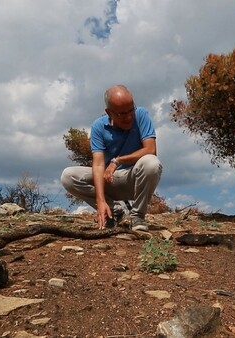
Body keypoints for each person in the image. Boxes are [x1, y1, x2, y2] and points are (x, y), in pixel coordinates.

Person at [61, 85, 162, 230]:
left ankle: (138, 217)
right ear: (109, 112)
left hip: (134, 178)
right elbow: (98, 165)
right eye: (122, 114)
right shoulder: (98, 127)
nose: (128, 117)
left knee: (152, 162)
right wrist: (100, 200)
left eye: (130, 111)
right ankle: (113, 211)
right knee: (68, 176)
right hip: (110, 180)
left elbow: (150, 149)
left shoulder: (141, 115)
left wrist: (118, 160)